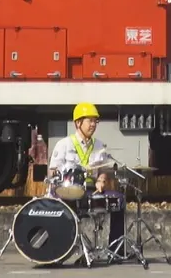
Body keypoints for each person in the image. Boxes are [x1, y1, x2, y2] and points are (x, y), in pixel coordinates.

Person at [46, 103, 126, 257]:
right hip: (68, 192)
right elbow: (52, 172)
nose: (94, 125)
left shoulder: (99, 145)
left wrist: (101, 180)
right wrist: (62, 180)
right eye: (90, 121)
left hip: (90, 191)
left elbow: (102, 169)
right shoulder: (64, 145)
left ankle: (115, 250)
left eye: (96, 121)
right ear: (78, 123)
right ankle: (61, 248)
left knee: (119, 200)